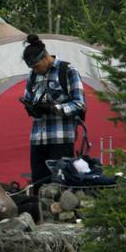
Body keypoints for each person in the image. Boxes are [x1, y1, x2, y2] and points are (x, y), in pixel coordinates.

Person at [19, 34, 86, 184]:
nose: (35, 70)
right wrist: (31, 108)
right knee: (39, 186)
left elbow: (79, 104)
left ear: (45, 57)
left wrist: (53, 109)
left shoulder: (68, 71)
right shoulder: (32, 76)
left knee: (59, 186)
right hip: (37, 139)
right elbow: (29, 98)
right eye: (32, 68)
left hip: (60, 138)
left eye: (36, 66)